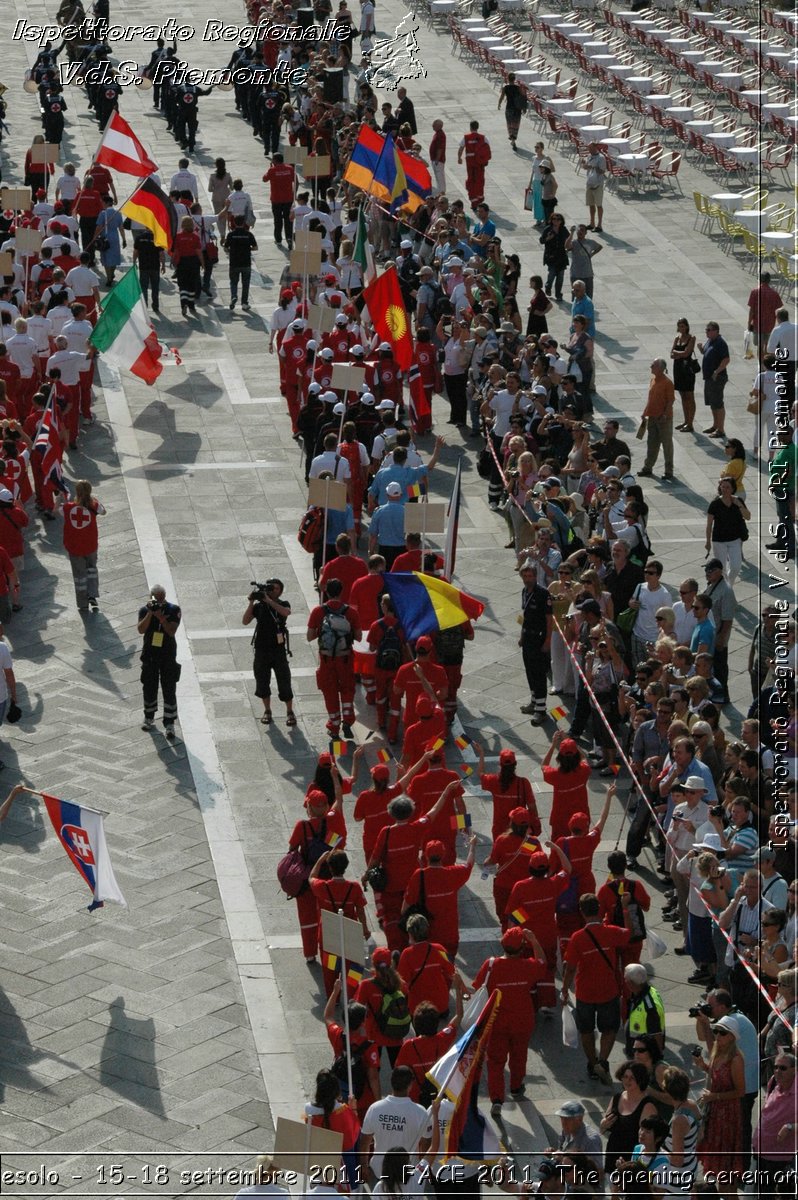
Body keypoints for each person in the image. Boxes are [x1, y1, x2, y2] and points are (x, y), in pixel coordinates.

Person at [472, 926, 548, 1117]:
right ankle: (515, 1086)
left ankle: (497, 1098)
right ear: (522, 948)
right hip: (522, 1020)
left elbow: (477, 988)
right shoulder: (528, 966)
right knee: (519, 1055)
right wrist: (534, 940)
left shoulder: (490, 965)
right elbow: (542, 962)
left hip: (497, 1022)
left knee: (496, 1061)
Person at [561, 892, 632, 1083]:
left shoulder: (577, 938)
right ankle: (603, 1061)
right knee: (609, 1029)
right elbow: (629, 934)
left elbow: (570, 969)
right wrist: (624, 908)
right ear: (599, 910)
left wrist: (565, 990)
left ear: (582, 912)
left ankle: (592, 1064)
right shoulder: (611, 932)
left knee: (586, 1030)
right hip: (608, 990)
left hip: (584, 992)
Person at [402, 835, 476, 957]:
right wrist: (472, 846)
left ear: (426, 855)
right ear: (443, 855)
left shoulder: (419, 876)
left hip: (426, 936)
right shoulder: (453, 874)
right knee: (448, 968)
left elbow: (404, 909)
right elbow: (469, 865)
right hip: (449, 936)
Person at [694, 1015, 747, 1186]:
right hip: (715, 1113)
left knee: (725, 1176)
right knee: (717, 1174)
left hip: (727, 1117)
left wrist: (714, 1096)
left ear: (732, 1036)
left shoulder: (736, 1059)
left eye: (722, 1033)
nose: (717, 1036)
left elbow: (740, 1091)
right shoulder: (718, 1050)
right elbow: (716, 1075)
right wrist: (703, 1065)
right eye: (716, 1031)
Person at [307, 577, 361, 738]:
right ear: (341, 591)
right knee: (347, 690)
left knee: (329, 692)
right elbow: (358, 637)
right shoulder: (351, 612)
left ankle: (334, 726)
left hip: (326, 659)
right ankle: (348, 721)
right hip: (345, 659)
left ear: (326, 592)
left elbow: (309, 636)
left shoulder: (318, 611)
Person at [359, 1063, 428, 1180]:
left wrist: (363, 1166)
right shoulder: (420, 1113)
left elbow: (364, 1142)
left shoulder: (374, 1109)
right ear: (410, 1085)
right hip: (408, 1173)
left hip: (380, 1170)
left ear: (391, 1082)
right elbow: (426, 1145)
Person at [323, 980, 381, 1120]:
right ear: (362, 1022)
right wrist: (379, 1102)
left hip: (340, 1096)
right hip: (362, 1100)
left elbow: (328, 1016)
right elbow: (373, 1077)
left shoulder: (337, 1035)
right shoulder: (369, 1046)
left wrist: (335, 991)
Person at [242, 578, 295, 727]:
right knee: (262, 681)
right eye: (270, 588)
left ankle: (290, 711)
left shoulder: (283, 604)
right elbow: (245, 621)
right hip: (261, 649)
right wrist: (251, 602)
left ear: (281, 591)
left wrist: (268, 600)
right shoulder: (259, 607)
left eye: (276, 588)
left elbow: (286, 612)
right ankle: (267, 710)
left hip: (278, 650)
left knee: (284, 680)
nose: (273, 591)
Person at [305, 1069, 362, 1191]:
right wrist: (353, 1110)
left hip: (319, 1165)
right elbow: (352, 1138)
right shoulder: (344, 1112)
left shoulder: (308, 1110)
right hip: (343, 1167)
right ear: (337, 1091)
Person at [137, 584, 181, 740]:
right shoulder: (144, 610)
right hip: (150, 655)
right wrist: (150, 613)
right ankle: (149, 717)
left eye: (162, 598)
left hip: (168, 655)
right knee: (149, 687)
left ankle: (169, 723)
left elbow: (171, 631)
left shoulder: (173, 610)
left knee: (169, 688)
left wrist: (161, 617)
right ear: (151, 597)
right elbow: (141, 630)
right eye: (157, 598)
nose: (160, 601)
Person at [752, 1050, 798, 1200]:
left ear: (794, 1069)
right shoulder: (773, 1082)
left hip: (779, 1159)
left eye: (783, 1068)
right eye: (776, 1067)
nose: (778, 1071)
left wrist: (790, 1127)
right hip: (760, 1151)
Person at [600, 1059, 658, 1177]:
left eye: (632, 1077)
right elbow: (602, 1129)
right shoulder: (617, 1098)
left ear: (640, 1080)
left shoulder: (647, 1106)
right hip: (613, 1156)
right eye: (625, 1076)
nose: (628, 1080)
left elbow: (649, 1140)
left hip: (633, 1162)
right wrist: (604, 1123)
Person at [58, 478, 105, 612]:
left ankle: (82, 603)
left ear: (76, 492)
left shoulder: (67, 508)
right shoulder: (94, 505)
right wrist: (93, 499)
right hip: (90, 545)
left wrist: (59, 500)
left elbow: (57, 510)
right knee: (92, 570)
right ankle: (92, 595)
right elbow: (104, 511)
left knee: (79, 576)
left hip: (74, 547)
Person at [518, 559, 553, 725]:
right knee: (529, 671)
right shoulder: (524, 591)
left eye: (530, 575)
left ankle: (541, 709)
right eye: (524, 575)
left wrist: (547, 641)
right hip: (528, 638)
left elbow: (549, 619)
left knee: (539, 674)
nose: (527, 578)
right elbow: (524, 616)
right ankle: (534, 701)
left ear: (535, 576)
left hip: (539, 638)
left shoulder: (543, 593)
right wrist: (522, 636)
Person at [542, 732, 592, 841]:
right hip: (581, 817)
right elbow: (584, 758)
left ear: (560, 756)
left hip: (560, 818)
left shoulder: (554, 775)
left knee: (559, 846)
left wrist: (553, 745)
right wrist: (570, 741)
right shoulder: (584, 770)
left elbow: (544, 766)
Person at [659, 1067, 700, 1193]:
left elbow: (677, 1160)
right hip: (691, 1166)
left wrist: (658, 1150)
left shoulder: (678, 1121)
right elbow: (701, 1134)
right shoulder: (692, 1105)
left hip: (677, 1178)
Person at [705, 477, 750, 585]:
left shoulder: (738, 501)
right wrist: (707, 541)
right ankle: (724, 589)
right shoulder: (715, 504)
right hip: (719, 540)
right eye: (723, 486)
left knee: (736, 566)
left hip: (735, 539)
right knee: (722, 568)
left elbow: (748, 516)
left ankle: (728, 585)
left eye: (727, 487)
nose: (724, 489)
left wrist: (738, 505)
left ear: (732, 489)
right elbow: (709, 524)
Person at [638, 359, 675, 482]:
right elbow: (651, 399)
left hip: (664, 419)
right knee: (651, 443)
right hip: (652, 417)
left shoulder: (667, 383)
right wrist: (645, 413)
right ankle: (648, 467)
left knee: (666, 444)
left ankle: (669, 470)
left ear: (660, 368)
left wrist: (665, 414)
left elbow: (670, 401)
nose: (651, 367)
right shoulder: (653, 380)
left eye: (653, 365)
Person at [697, 321, 731, 439]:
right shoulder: (710, 341)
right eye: (706, 330)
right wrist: (701, 349)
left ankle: (720, 429)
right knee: (712, 402)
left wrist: (717, 371)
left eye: (709, 330)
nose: (707, 332)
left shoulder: (720, 343)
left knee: (718, 403)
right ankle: (715, 425)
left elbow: (726, 359)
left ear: (716, 331)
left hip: (717, 377)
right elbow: (707, 353)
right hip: (709, 377)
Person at [224, 214, 258, 312]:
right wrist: (248, 248)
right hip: (246, 263)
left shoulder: (231, 235)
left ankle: (234, 296)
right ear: (244, 223)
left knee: (233, 282)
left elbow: (226, 248)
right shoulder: (248, 234)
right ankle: (244, 303)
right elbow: (255, 247)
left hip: (234, 263)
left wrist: (232, 250)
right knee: (245, 283)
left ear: (234, 222)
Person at [671, 317, 698, 432]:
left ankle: (690, 423)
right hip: (678, 369)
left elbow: (687, 353)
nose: (681, 328)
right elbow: (671, 354)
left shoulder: (691, 338)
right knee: (682, 396)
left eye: (683, 326)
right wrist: (679, 354)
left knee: (689, 396)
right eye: (679, 326)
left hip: (687, 370)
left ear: (686, 326)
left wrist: (678, 353)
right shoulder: (677, 338)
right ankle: (686, 420)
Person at [564, 225, 602, 299]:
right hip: (576, 274)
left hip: (588, 274)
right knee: (576, 296)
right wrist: (571, 233)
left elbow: (599, 247)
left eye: (582, 230)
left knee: (589, 296)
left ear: (585, 233)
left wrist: (592, 254)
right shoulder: (574, 243)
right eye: (579, 230)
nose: (580, 232)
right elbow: (567, 246)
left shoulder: (590, 242)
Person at [498, 73, 525, 150]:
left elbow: (502, 97)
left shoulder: (505, 88)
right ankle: (513, 138)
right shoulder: (518, 87)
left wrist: (499, 104)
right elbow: (523, 97)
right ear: (514, 79)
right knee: (516, 124)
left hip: (509, 108)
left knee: (509, 124)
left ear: (507, 79)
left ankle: (512, 138)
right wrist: (523, 108)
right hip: (517, 109)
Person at [583, 143, 607, 232]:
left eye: (590, 148)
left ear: (595, 148)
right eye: (588, 148)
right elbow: (586, 167)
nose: (589, 150)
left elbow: (602, 171)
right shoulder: (589, 156)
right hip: (589, 183)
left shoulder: (601, 158)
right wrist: (585, 165)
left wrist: (593, 166)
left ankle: (599, 225)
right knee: (591, 204)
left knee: (599, 204)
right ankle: (592, 223)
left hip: (598, 184)